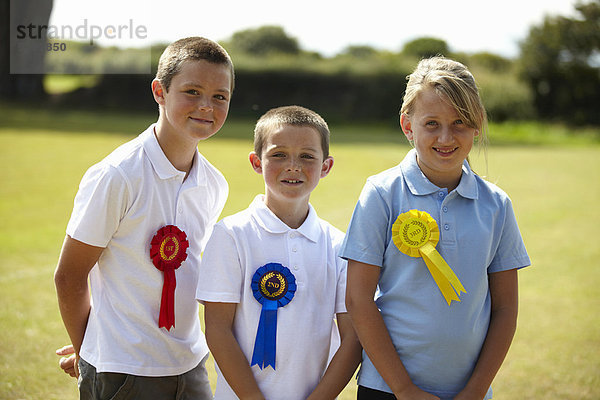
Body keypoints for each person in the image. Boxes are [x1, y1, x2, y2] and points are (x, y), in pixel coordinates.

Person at [53, 36, 234, 399]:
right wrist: (90, 350)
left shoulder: (215, 184)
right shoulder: (117, 175)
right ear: (159, 92)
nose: (206, 106)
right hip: (123, 371)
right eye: (192, 91)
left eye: (219, 96)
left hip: (190, 364)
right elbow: (70, 276)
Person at [340, 56, 531, 400]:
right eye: (431, 123)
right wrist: (404, 389)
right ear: (407, 126)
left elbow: (505, 309)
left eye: (460, 122)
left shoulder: (497, 205)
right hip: (387, 390)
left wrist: (475, 390)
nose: (446, 136)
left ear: (477, 127)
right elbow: (358, 299)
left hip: (469, 393)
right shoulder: (382, 194)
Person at [196, 105, 362, 400]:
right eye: (278, 154)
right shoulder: (232, 234)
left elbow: (352, 339)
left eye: (307, 156)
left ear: (326, 166)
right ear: (256, 162)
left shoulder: (338, 246)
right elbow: (218, 331)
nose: (293, 166)